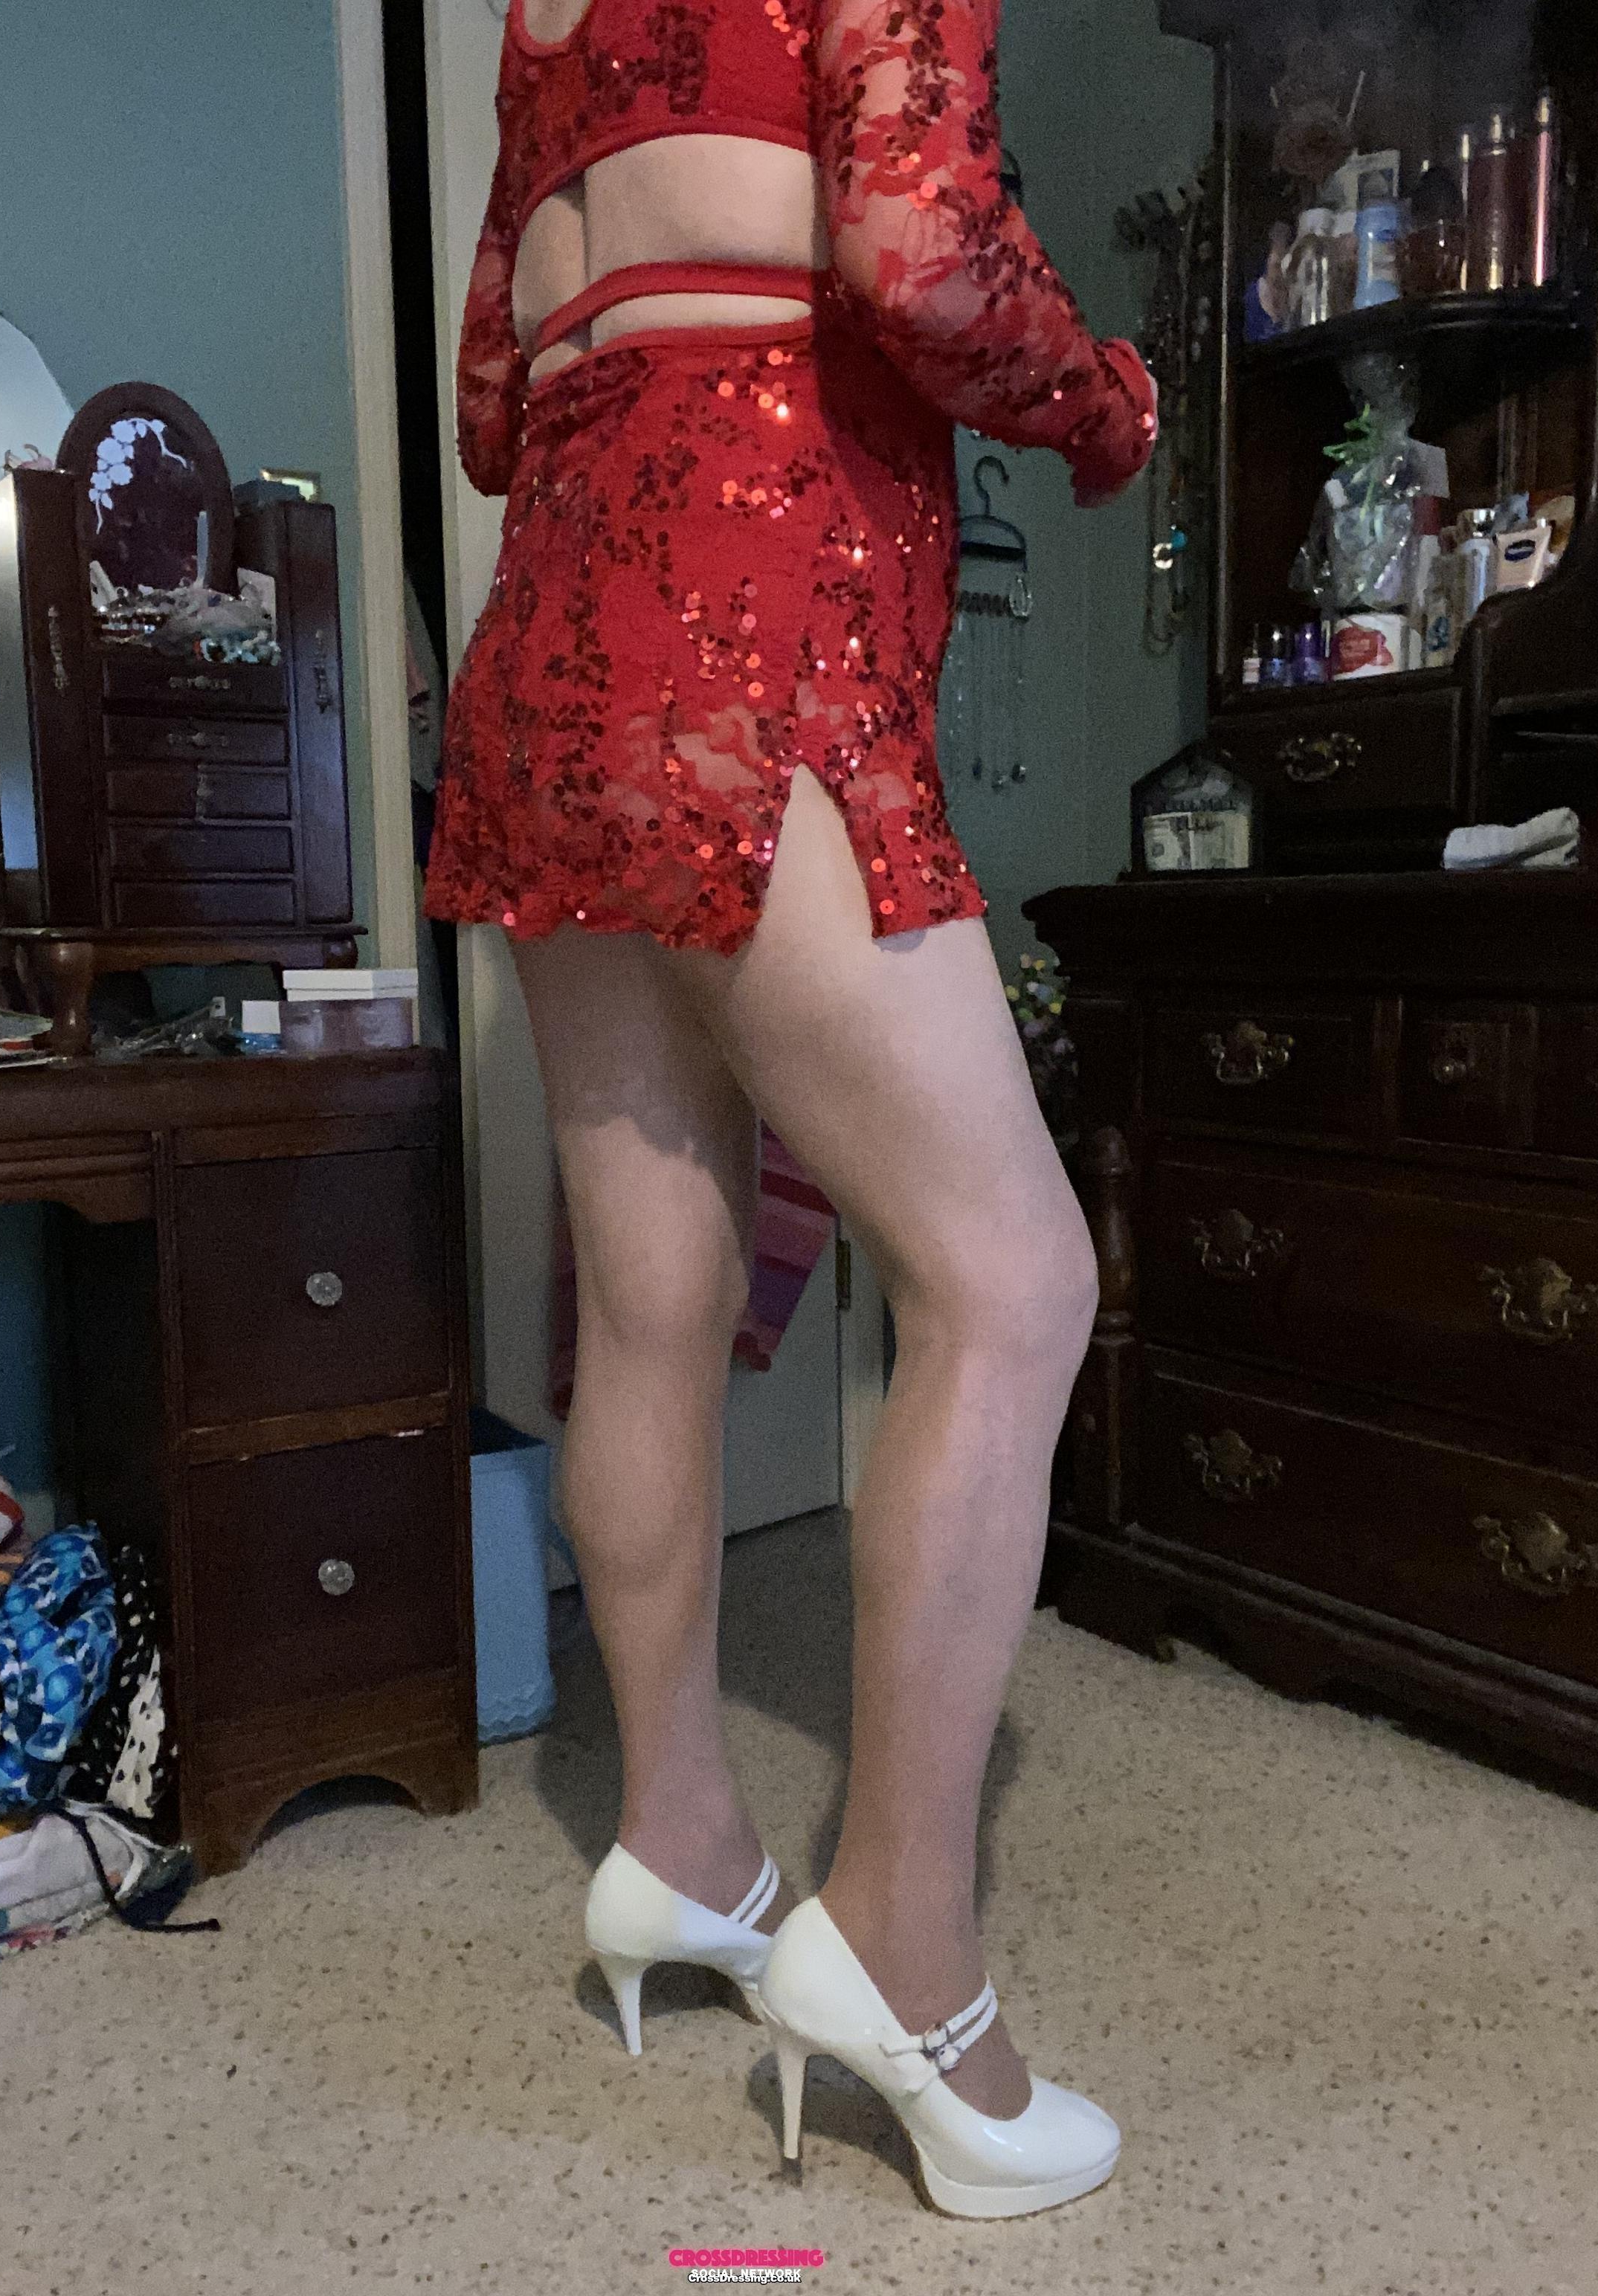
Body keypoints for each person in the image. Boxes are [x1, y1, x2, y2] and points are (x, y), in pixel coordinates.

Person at [424, 0, 1156, 2219]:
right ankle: (904, 1958)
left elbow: (487, 399)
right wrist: (1110, 400)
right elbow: (924, 256)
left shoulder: (539, 15)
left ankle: (679, 1843)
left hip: (545, 662)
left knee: (648, 1287)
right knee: (1016, 1283)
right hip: (744, 622)